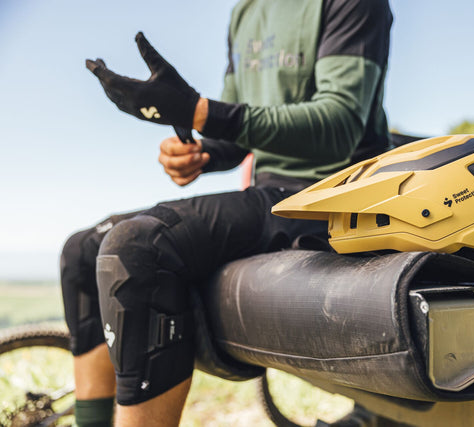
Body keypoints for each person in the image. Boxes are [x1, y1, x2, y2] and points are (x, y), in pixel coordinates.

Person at [61, 0, 393, 425]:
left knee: (137, 247)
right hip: (270, 194)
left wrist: (200, 112)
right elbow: (238, 135)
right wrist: (201, 155)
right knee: (80, 253)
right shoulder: (246, 12)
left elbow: (339, 127)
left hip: (333, 197)